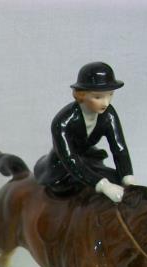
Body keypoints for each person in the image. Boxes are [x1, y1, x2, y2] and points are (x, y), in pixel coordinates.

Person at [34, 62, 135, 202]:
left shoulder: (108, 114)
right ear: (81, 95)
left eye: (110, 94)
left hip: (88, 158)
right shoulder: (62, 122)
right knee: (69, 191)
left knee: (115, 178)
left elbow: (119, 148)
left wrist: (128, 178)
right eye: (98, 97)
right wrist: (103, 185)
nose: (106, 103)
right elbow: (70, 159)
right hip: (63, 166)